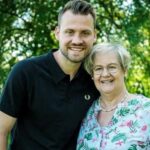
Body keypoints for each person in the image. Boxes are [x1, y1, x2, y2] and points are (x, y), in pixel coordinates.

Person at [0, 0, 99, 149]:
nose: (77, 40)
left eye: (85, 33)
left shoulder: (95, 79)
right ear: (57, 33)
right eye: (70, 32)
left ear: (95, 36)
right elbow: (1, 130)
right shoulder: (25, 72)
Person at [77, 43, 150, 150]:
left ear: (125, 70)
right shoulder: (85, 112)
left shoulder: (146, 109)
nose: (105, 74)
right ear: (92, 75)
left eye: (112, 67)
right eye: (98, 69)